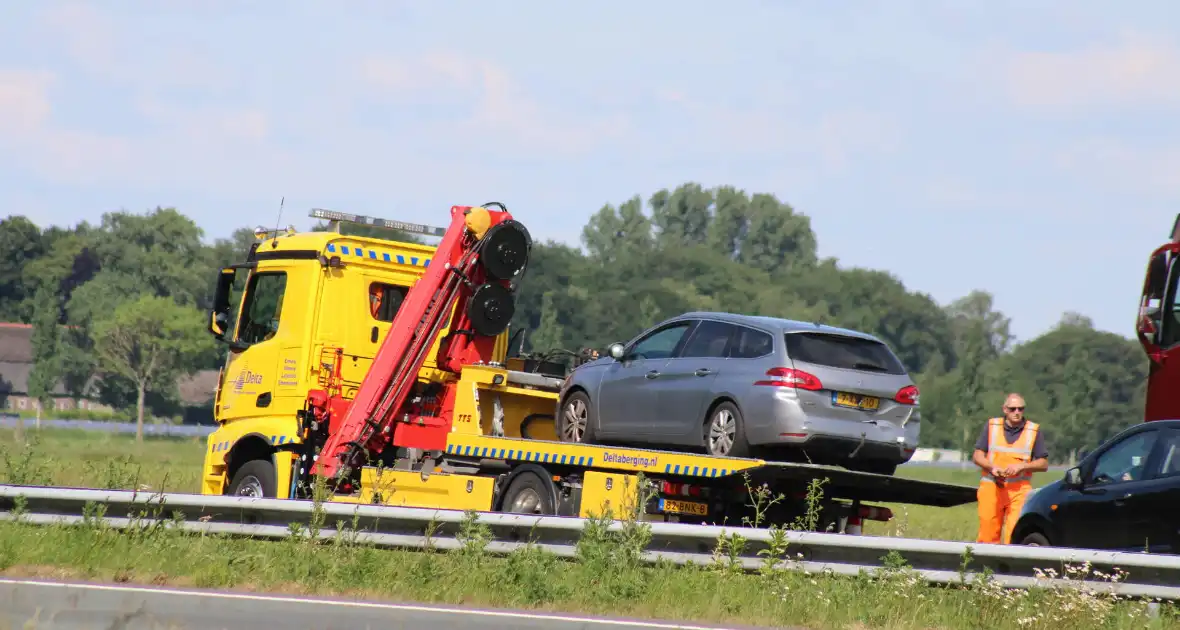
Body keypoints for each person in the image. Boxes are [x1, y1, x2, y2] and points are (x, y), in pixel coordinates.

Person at [972, 393, 1049, 545]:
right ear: (1005, 410)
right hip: (992, 485)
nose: (1017, 412)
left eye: (1021, 409)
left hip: (1019, 489)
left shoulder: (1033, 430)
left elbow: (1043, 463)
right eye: (1013, 409)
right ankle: (986, 566)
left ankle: (1009, 566)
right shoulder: (992, 426)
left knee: (1014, 533)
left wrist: (1022, 466)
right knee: (988, 532)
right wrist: (992, 467)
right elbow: (977, 455)